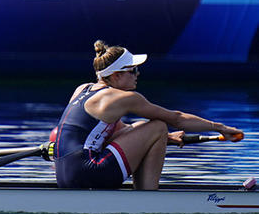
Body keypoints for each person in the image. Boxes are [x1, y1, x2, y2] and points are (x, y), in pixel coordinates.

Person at [53, 40, 243, 190]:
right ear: (116, 76)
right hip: (90, 172)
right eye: (133, 70)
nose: (137, 74)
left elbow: (118, 131)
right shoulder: (124, 98)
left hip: (64, 175)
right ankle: (147, 197)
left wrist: (165, 138)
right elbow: (175, 118)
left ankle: (143, 194)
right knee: (158, 125)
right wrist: (219, 127)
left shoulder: (82, 89)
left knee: (140, 126)